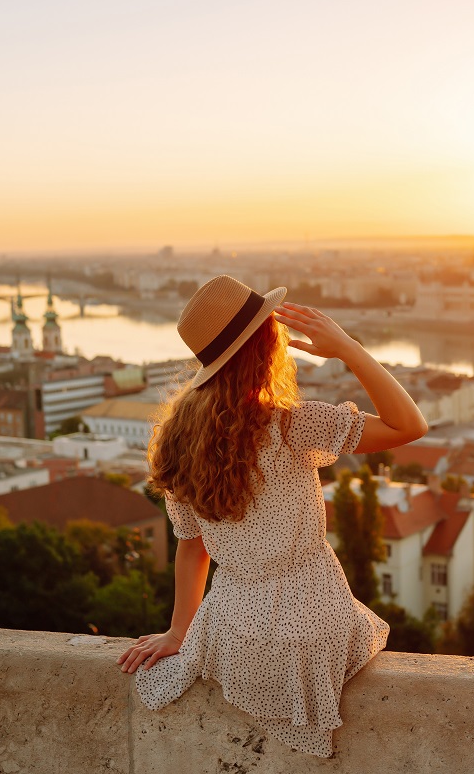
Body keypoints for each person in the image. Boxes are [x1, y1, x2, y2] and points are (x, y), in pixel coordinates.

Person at [117, 274, 428, 757]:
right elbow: (409, 425)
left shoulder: (177, 441)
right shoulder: (290, 426)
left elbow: (192, 549)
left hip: (230, 635)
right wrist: (348, 348)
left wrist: (180, 632)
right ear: (266, 348)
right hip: (311, 629)